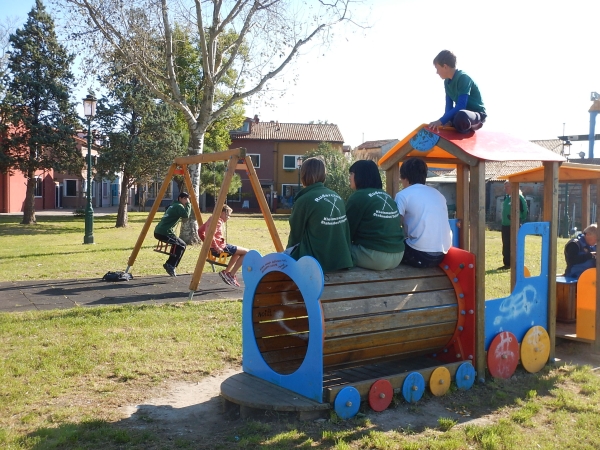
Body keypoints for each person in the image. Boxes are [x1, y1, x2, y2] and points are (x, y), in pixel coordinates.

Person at [286, 157, 353, 272]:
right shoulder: (337, 196)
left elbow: (295, 236)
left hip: (318, 263)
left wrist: (286, 255)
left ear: (303, 175)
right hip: (342, 260)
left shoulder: (304, 200)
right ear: (324, 175)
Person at [346, 160, 405, 270]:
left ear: (360, 176)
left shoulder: (358, 197)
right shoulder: (386, 196)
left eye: (351, 174)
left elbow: (346, 231)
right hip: (398, 255)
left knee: (336, 247)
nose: (349, 177)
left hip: (376, 257)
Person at [394, 158, 452, 268]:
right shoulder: (438, 194)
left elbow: (395, 224)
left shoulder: (402, 195)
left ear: (404, 177)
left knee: (389, 248)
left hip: (419, 254)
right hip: (442, 254)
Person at [428, 50, 486, 134]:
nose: (437, 72)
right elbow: (449, 107)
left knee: (461, 116)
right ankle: (454, 124)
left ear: (445, 66)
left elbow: (461, 105)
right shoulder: (447, 82)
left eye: (437, 68)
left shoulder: (463, 77)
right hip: (460, 113)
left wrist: (440, 121)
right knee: (450, 118)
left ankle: (471, 127)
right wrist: (445, 121)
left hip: (476, 115)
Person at [198, 204, 249, 287]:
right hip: (219, 249)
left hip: (214, 248)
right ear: (221, 213)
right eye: (227, 215)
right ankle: (231, 275)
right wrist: (216, 247)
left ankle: (226, 272)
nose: (228, 217)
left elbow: (200, 231)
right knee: (247, 252)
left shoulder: (211, 219)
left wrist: (207, 243)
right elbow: (209, 234)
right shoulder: (217, 221)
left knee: (238, 252)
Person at [153, 192, 192, 277]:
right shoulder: (179, 206)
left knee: (178, 244)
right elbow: (186, 215)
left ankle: (170, 264)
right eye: (185, 199)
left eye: (187, 199)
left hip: (158, 231)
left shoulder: (173, 205)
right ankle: (171, 265)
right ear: (180, 198)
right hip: (165, 232)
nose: (186, 200)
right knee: (182, 245)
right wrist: (189, 204)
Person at [501, 181, 528, 269]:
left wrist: (518, 219)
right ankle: (507, 264)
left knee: (514, 244)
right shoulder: (506, 197)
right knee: (505, 244)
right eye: (504, 187)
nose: (505, 189)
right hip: (505, 225)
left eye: (507, 187)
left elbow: (525, 211)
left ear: (513, 187)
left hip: (514, 225)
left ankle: (515, 263)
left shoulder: (519, 197)